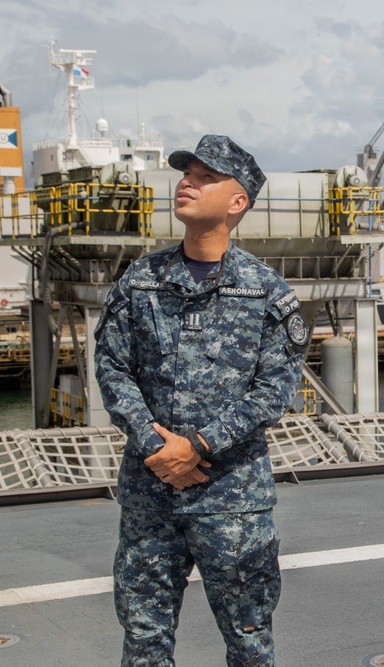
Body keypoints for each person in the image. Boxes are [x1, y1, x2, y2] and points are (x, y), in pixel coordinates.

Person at [95, 134, 307, 666]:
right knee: (144, 639)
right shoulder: (141, 279)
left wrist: (200, 445)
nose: (187, 181)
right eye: (185, 173)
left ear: (238, 202)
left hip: (232, 495)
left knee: (249, 641)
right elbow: (112, 366)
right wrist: (157, 447)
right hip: (150, 492)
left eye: (206, 176)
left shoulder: (266, 291)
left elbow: (274, 389)